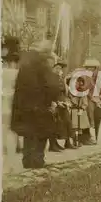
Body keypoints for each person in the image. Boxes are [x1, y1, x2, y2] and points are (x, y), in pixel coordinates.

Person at [10, 40, 61, 169]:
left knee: (29, 134)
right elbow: (52, 86)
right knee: (41, 134)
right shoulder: (43, 65)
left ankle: (27, 161)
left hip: (24, 107)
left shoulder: (25, 64)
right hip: (41, 106)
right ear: (46, 53)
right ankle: (38, 161)